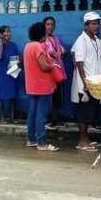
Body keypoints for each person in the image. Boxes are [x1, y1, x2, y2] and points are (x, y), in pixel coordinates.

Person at [71, 12, 101, 152]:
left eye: (97, 23)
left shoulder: (97, 40)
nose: (96, 26)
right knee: (84, 112)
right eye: (93, 23)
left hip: (96, 82)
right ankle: (81, 140)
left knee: (91, 111)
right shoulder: (81, 40)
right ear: (86, 25)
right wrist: (85, 83)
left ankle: (86, 138)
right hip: (86, 83)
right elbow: (79, 63)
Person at [24, 22, 59, 152]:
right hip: (43, 86)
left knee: (32, 113)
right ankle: (41, 142)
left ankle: (31, 139)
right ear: (40, 34)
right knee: (41, 115)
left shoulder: (28, 46)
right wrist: (54, 66)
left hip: (32, 85)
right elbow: (44, 66)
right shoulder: (38, 46)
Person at [42, 16, 66, 130]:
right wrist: (50, 53)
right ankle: (48, 119)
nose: (50, 26)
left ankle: (55, 118)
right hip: (47, 71)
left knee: (58, 96)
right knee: (48, 95)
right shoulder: (42, 39)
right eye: (48, 24)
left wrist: (62, 51)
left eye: (52, 24)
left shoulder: (56, 39)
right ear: (44, 26)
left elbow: (61, 50)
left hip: (58, 70)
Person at [0, 25, 20, 124]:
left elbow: (19, 56)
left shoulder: (13, 45)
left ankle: (12, 117)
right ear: (1, 34)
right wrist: (1, 44)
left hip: (13, 72)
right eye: (6, 32)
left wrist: (19, 63)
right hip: (2, 72)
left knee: (13, 94)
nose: (8, 33)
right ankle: (2, 117)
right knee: (1, 95)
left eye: (9, 31)